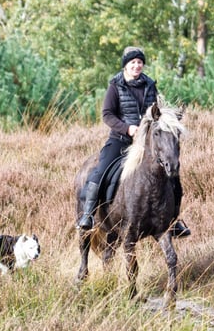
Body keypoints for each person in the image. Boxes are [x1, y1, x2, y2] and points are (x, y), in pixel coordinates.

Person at [77, 46, 190, 237]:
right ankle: (88, 214)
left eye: (140, 62)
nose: (137, 66)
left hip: (145, 143)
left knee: (172, 174)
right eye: (133, 63)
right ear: (126, 66)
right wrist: (128, 128)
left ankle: (173, 221)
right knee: (100, 170)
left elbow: (157, 113)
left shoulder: (149, 85)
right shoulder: (115, 85)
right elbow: (107, 114)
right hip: (120, 140)